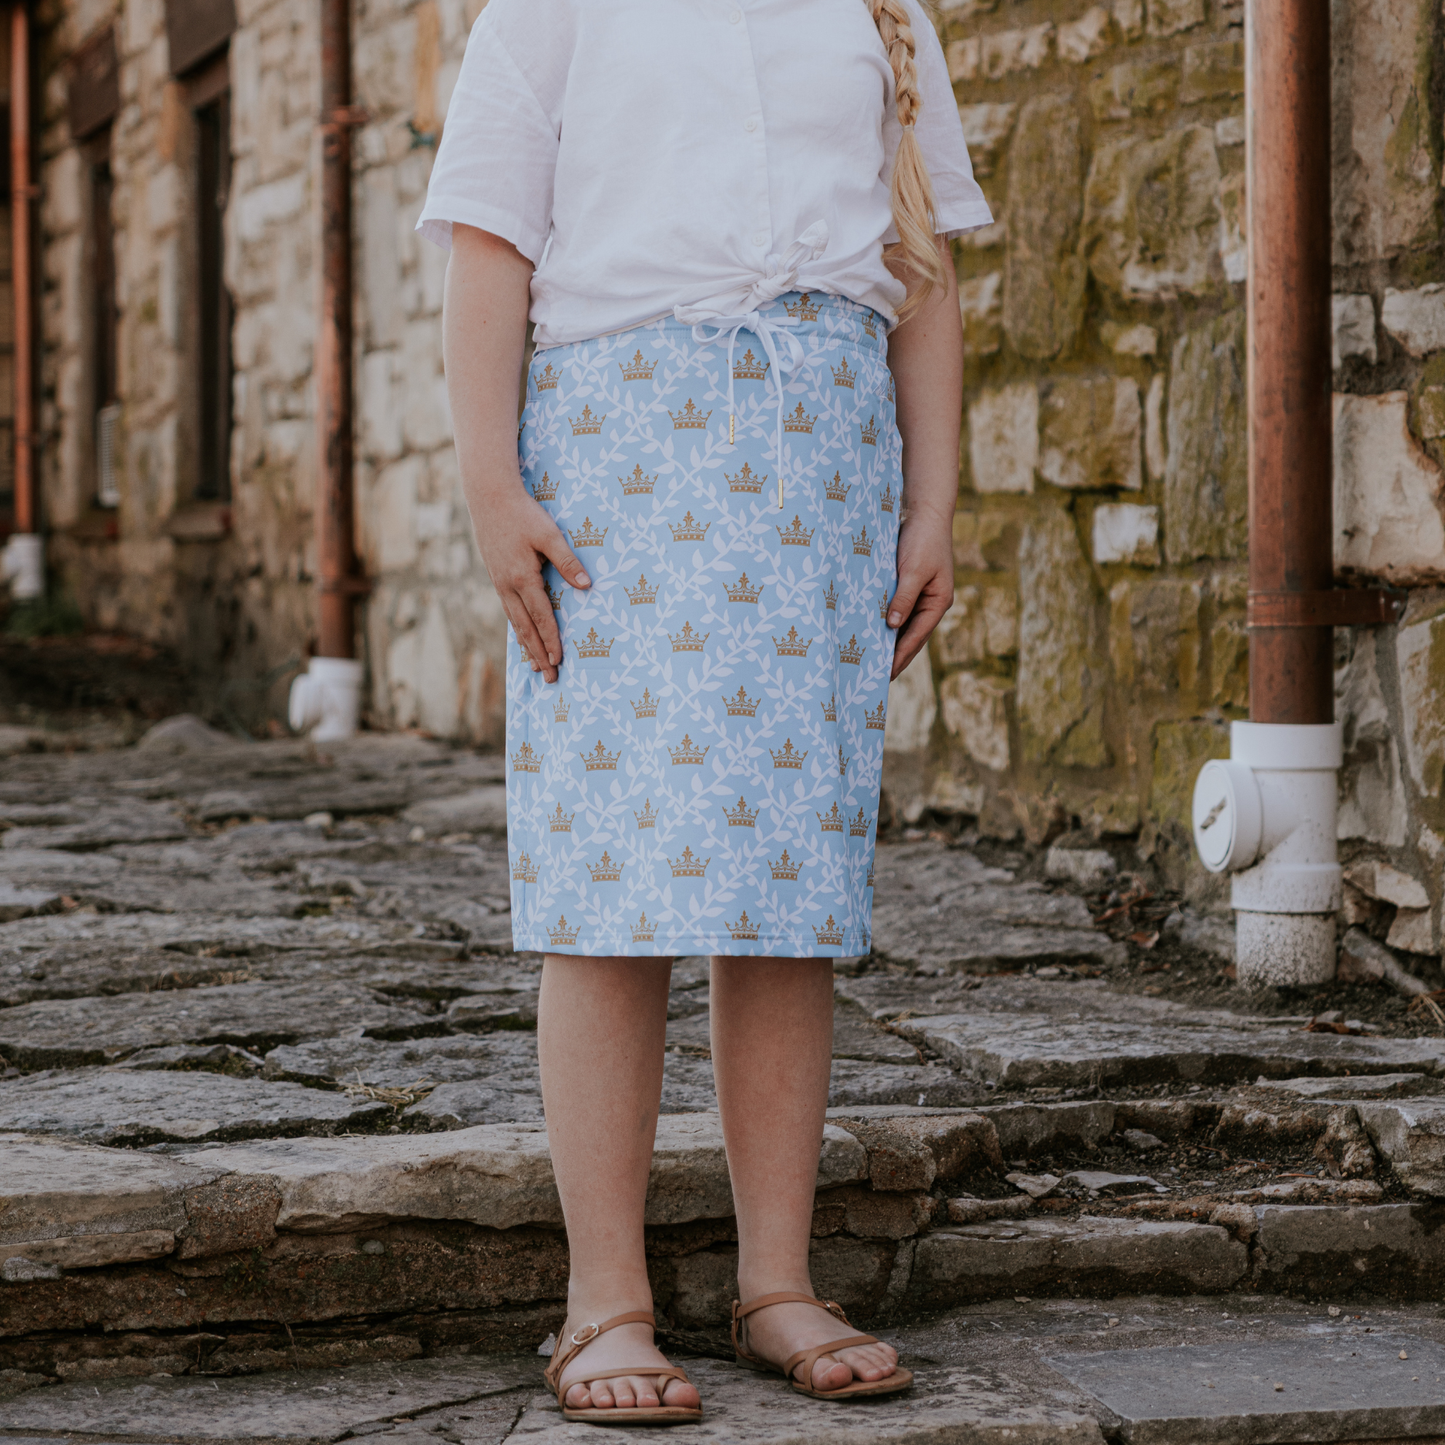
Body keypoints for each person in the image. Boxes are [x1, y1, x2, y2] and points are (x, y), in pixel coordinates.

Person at [419, 0, 991, 1424]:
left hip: (820, 474)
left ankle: (775, 1280)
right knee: (612, 883)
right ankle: (601, 1298)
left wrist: (931, 504)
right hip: (620, 472)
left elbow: (920, 271)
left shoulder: (880, 16)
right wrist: (495, 486)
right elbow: (489, 239)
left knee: (787, 891)